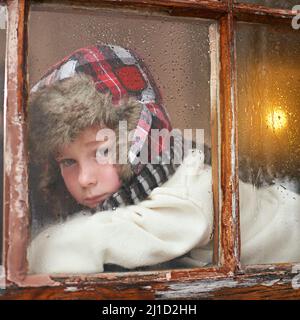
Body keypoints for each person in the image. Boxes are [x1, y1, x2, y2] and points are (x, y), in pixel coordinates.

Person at [27, 45, 300, 274]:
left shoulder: (190, 188)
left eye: (103, 151)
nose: (85, 179)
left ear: (136, 139)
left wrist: (35, 249)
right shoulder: (142, 183)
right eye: (68, 162)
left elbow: (91, 241)